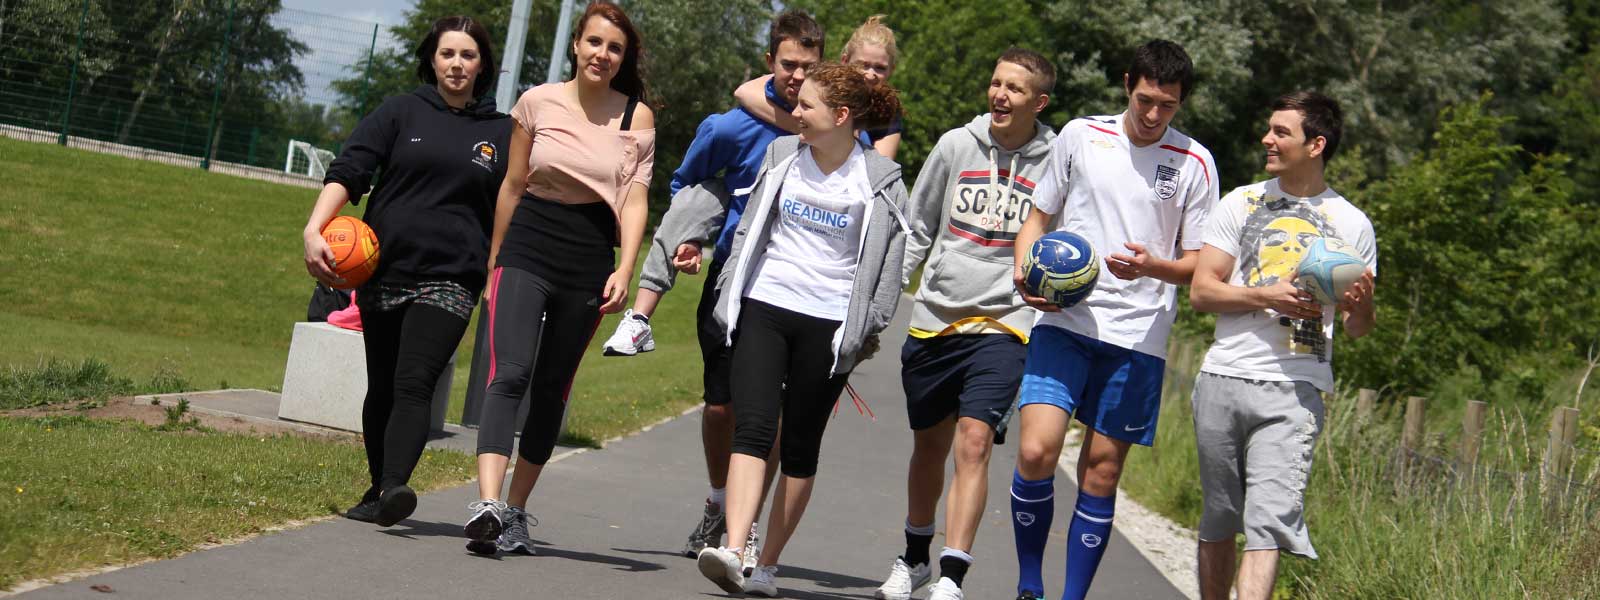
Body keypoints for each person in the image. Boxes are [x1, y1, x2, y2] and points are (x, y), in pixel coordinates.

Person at [600, 10, 827, 569]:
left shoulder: (828, 131)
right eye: (788, 64)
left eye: (809, 67)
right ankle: (719, 499)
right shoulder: (730, 127)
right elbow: (689, 186)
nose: (797, 76)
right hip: (731, 276)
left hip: (790, 289)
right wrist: (691, 243)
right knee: (722, 406)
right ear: (769, 62)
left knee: (766, 415)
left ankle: (742, 528)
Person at [1008, 40, 1219, 600]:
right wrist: (1026, 273)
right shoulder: (1080, 135)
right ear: (1128, 83)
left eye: (1167, 106)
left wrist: (1157, 266)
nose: (1153, 115)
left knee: (1100, 471)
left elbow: (1201, 263)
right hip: (1066, 320)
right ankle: (1030, 584)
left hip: (1139, 334)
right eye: (1146, 99)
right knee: (1035, 452)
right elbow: (1038, 217)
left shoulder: (1196, 162)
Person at [695, 61, 907, 598]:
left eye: (807, 106)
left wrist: (867, 327)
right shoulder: (780, 156)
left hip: (831, 323)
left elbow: (890, 266)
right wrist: (730, 296)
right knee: (754, 427)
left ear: (840, 116)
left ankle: (766, 566)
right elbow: (750, 231)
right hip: (766, 303)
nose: (796, 113)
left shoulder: (879, 181)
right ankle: (735, 548)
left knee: (801, 446)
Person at [462, 1, 656, 556]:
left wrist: (624, 266)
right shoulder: (536, 102)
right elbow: (513, 184)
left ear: (624, 58)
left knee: (552, 387)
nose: (602, 54)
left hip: (590, 252)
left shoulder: (634, 117)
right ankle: (488, 504)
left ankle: (517, 512)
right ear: (576, 45)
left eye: (614, 47)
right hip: (529, 241)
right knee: (511, 372)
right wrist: (495, 259)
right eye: (594, 42)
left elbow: (635, 198)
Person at [302, 16, 508, 528]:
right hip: (384, 270)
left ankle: (395, 484)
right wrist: (314, 228)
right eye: (447, 54)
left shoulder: (502, 132)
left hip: (452, 278)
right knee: (384, 386)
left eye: (468, 55)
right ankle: (380, 489)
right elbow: (350, 171)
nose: (457, 64)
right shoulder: (400, 112)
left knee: (416, 380)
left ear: (483, 64)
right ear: (432, 60)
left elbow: (521, 198)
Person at [873, 48, 1056, 600]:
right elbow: (920, 227)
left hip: (1006, 319)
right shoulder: (956, 145)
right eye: (996, 83)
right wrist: (884, 303)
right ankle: (914, 558)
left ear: (1039, 102)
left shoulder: (1054, 160)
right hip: (936, 317)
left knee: (974, 442)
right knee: (928, 447)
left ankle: (952, 575)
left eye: (1015, 89)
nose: (1000, 95)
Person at [1188, 91, 1375, 600]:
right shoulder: (1241, 202)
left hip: (1296, 388)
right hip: (1223, 376)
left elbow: (1359, 329)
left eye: (1280, 132)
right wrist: (1262, 294)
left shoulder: (1353, 224)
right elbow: (1202, 290)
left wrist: (1362, 305)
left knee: (1268, 523)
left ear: (1316, 144)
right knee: (1220, 518)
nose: (1267, 139)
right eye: (1269, 129)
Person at [732, 15, 904, 160]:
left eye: (880, 67)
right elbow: (744, 92)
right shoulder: (824, 82)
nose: (870, 74)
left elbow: (880, 166)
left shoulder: (888, 111)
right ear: (844, 61)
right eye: (863, 64)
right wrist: (799, 126)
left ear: (891, 70)